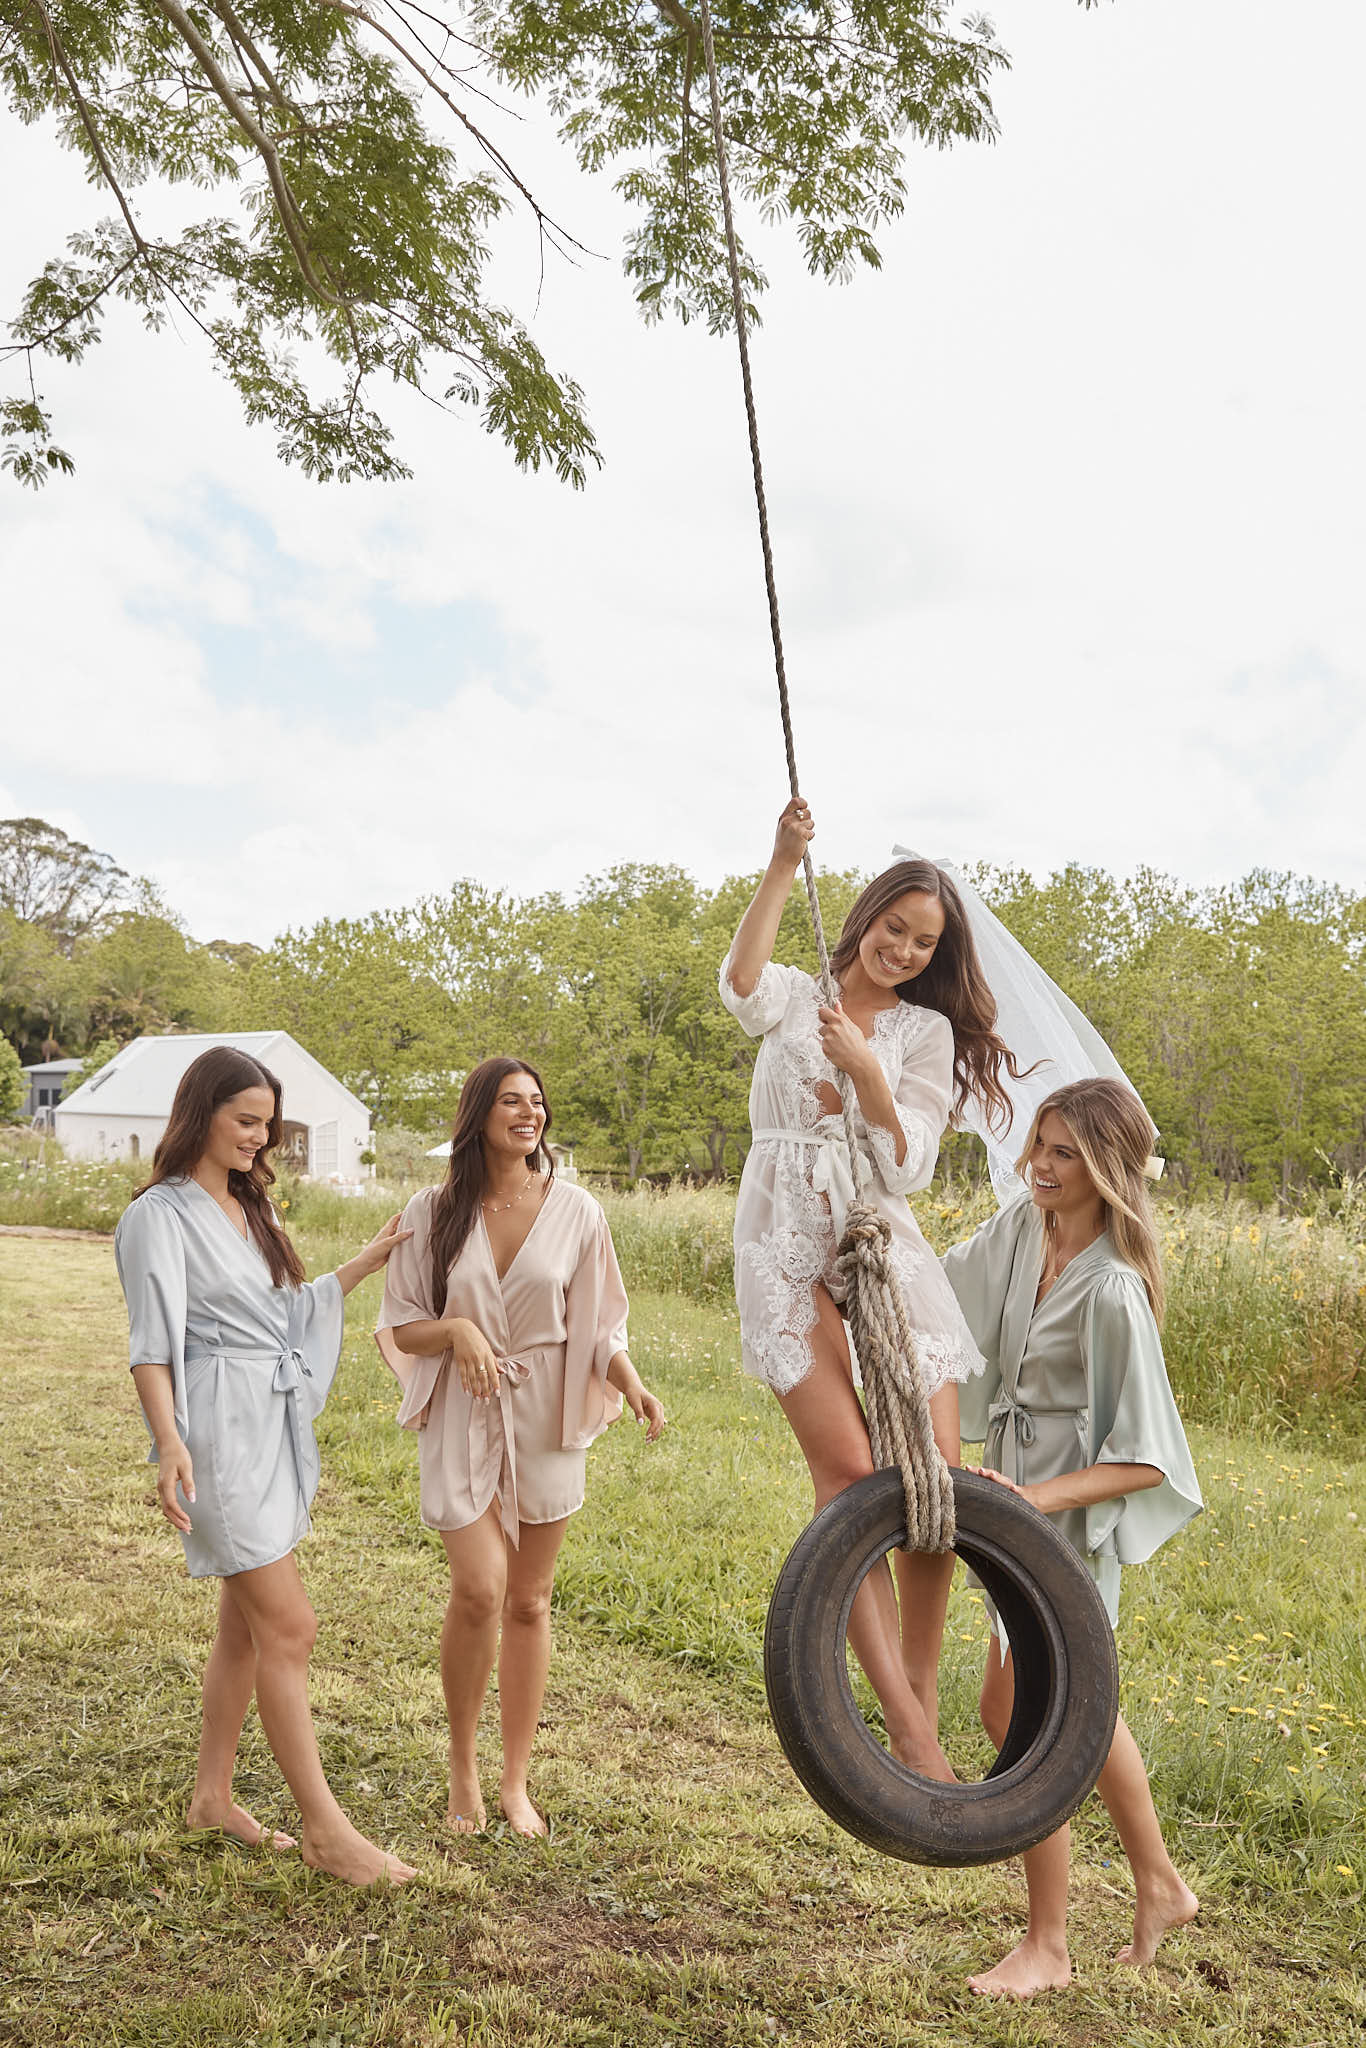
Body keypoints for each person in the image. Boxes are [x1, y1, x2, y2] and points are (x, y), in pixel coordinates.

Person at [720, 798, 1026, 1778]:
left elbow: (909, 1164)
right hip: (781, 1234)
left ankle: (919, 1681)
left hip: (878, 1240)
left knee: (931, 1478)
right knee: (852, 1472)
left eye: (922, 941)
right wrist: (781, 862)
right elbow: (738, 982)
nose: (902, 949)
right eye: (894, 927)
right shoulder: (795, 994)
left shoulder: (924, 1032)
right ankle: (905, 1723)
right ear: (865, 917)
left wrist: (866, 1073)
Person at [114, 1045, 416, 1885]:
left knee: (245, 1624)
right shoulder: (158, 1216)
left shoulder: (250, 1205)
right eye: (245, 1120)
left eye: (267, 1125)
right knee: (289, 1625)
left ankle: (211, 1798)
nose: (259, 1137)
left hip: (267, 1421)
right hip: (215, 1429)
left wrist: (365, 1262)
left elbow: (285, 1313)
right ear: (200, 1113)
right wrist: (170, 1442)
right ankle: (326, 1831)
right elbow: (150, 1345)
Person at [942, 1078, 1203, 1996]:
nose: (1040, 1166)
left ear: (1106, 1168)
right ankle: (1159, 1883)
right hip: (1015, 1509)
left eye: (1064, 1153)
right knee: (1049, 1708)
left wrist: (1033, 1500)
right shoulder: (1026, 1229)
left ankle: (1048, 1945)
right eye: (1039, 1146)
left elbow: (1148, 1460)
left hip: (1060, 1520)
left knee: (1035, 1722)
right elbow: (940, 1282)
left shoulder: (1114, 1291)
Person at [376, 1057, 665, 1838]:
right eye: (511, 1101)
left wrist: (632, 1382)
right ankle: (462, 1769)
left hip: (545, 1413)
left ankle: (514, 1781)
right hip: (462, 1411)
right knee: (478, 1590)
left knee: (530, 1600)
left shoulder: (577, 1211)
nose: (528, 1113)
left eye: (537, 1101)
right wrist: (457, 1330)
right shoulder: (433, 1210)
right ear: (479, 1115)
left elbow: (599, 1327)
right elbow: (402, 1324)